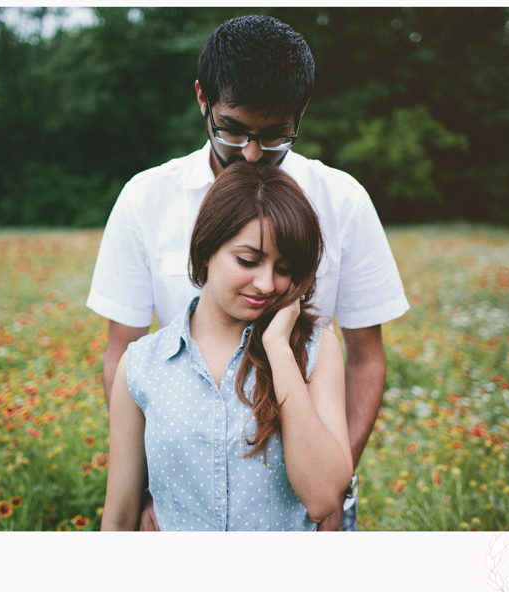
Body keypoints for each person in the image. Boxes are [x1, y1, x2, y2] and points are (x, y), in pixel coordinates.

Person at [88, 14, 409, 531]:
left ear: (300, 111)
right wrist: (156, 489)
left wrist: (329, 492)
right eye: (233, 130)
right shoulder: (146, 198)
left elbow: (366, 359)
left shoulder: (342, 200)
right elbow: (122, 350)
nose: (254, 153)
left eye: (276, 133)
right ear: (202, 99)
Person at [101, 162, 352, 531]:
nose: (266, 284)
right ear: (205, 250)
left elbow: (323, 497)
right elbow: (120, 517)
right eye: (248, 260)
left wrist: (279, 348)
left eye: (283, 268)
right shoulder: (141, 365)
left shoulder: (316, 351)